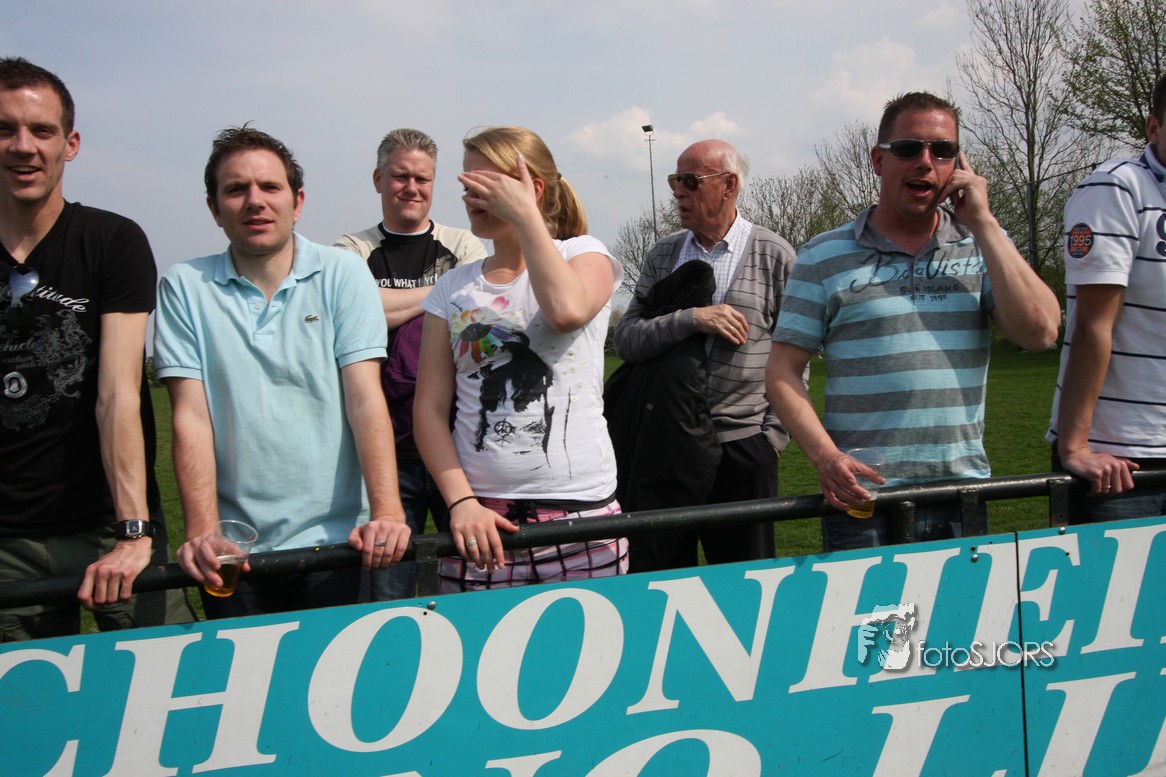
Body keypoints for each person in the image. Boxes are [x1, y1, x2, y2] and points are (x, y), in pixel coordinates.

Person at [767, 91, 1061, 551]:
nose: (926, 161)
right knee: (871, 605)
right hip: (863, 497)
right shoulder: (823, 255)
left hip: (961, 493)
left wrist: (984, 223)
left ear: (957, 164)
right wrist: (826, 458)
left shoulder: (982, 243)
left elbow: (1040, 333)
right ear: (878, 160)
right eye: (908, 148)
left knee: (959, 604)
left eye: (942, 150)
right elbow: (782, 372)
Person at [154, 126, 410, 617]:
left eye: (270, 187)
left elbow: (364, 399)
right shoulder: (184, 285)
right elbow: (190, 417)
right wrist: (203, 532)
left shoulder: (343, 272)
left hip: (339, 541)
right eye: (236, 189)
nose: (255, 201)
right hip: (234, 549)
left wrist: (387, 512)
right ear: (214, 208)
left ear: (298, 201)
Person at [0, 57, 193, 640]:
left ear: (71, 144)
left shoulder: (112, 240)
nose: (23, 146)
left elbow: (117, 393)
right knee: (27, 695)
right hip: (8, 543)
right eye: (5, 129)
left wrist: (133, 532)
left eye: (42, 130)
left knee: (166, 673)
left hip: (109, 523)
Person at [414, 126, 627, 593]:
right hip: (480, 521)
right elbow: (429, 409)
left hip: (582, 517)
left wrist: (527, 217)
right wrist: (461, 503)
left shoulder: (584, 253)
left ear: (533, 188)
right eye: (466, 183)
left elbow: (566, 311)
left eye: (486, 182)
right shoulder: (452, 286)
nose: (470, 195)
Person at [611, 139, 797, 571]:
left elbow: (794, 358)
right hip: (663, 444)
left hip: (742, 447)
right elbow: (627, 340)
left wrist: (771, 439)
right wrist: (692, 319)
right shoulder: (664, 254)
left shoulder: (774, 254)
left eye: (690, 181)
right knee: (658, 580)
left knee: (745, 582)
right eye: (675, 180)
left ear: (729, 185)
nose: (678, 191)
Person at [335, 128, 486, 601]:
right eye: (400, 176)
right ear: (378, 180)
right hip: (384, 450)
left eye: (423, 178)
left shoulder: (465, 243)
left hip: (457, 445)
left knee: (475, 576)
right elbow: (353, 313)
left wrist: (383, 303)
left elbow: (475, 316)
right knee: (388, 586)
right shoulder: (349, 250)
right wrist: (443, 294)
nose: (411, 188)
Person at [1047, 73, 1166, 522]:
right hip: (1122, 455)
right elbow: (1094, 324)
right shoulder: (1117, 187)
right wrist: (1075, 446)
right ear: (1153, 128)